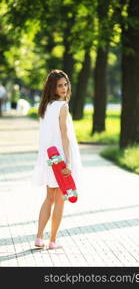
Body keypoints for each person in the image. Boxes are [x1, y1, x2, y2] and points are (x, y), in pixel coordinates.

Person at [32, 69, 83, 249]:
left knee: (49, 198)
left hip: (48, 157)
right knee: (60, 199)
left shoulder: (45, 106)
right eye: (59, 85)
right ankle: (52, 241)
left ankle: (39, 238)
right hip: (59, 158)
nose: (64, 88)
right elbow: (64, 135)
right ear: (52, 87)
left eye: (65, 84)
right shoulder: (62, 106)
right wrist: (67, 161)